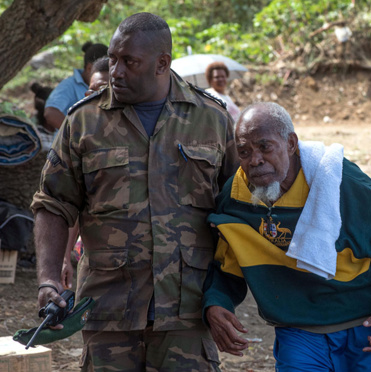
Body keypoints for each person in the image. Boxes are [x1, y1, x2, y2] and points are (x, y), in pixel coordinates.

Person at [31, 12, 238, 371]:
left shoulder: (212, 120)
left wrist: (224, 295)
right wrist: (48, 279)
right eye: (112, 58)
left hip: (188, 313)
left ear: (162, 63)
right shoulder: (84, 121)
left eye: (129, 61)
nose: (116, 71)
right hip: (109, 312)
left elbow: (237, 211)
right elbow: (52, 203)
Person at [201, 102, 371, 371]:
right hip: (299, 331)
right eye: (244, 151)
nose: (255, 160)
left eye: (265, 146)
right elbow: (227, 264)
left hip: (366, 327)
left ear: (291, 143)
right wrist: (215, 304)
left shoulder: (339, 181)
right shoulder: (235, 198)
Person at [59, 56, 111, 291]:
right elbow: (71, 205)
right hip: (98, 266)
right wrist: (64, 257)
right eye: (89, 91)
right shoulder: (79, 134)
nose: (92, 99)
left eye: (101, 91)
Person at [43, 41, 108, 131]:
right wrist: (77, 133)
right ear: (89, 68)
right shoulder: (69, 86)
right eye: (103, 71)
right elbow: (50, 113)